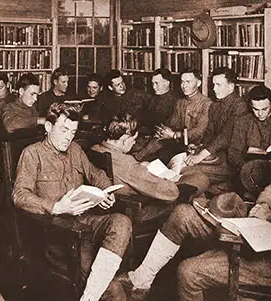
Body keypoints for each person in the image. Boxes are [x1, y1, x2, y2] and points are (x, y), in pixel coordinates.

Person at [13, 102, 132, 301]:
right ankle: (97, 291)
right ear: (49, 127)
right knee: (113, 288)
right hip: (57, 232)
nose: (69, 137)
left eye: (73, 132)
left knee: (121, 222)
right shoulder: (32, 154)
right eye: (64, 130)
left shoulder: (75, 149)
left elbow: (96, 174)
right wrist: (55, 207)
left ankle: (91, 295)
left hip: (85, 222)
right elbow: (19, 195)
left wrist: (105, 190)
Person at [118, 189, 271, 301]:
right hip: (256, 229)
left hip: (265, 257)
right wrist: (264, 205)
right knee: (182, 214)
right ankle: (142, 279)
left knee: (189, 271)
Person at [91, 114, 209, 221]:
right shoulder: (127, 165)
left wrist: (140, 167)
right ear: (123, 140)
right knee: (200, 180)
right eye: (133, 140)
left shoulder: (96, 149)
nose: (134, 143)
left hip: (123, 199)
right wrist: (161, 177)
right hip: (139, 209)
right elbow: (171, 193)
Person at [183, 67, 248, 193]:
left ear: (231, 87)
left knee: (189, 172)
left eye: (218, 85)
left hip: (232, 160)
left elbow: (225, 136)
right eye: (213, 84)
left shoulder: (240, 106)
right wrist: (198, 146)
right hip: (216, 156)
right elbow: (209, 134)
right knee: (187, 168)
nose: (214, 89)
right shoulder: (215, 106)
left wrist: (200, 155)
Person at [134, 69, 212, 163]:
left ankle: (137, 158)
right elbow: (172, 124)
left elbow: (199, 131)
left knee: (160, 158)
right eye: (182, 82)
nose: (184, 85)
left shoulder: (207, 103)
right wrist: (164, 131)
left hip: (199, 148)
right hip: (179, 145)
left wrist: (174, 134)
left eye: (188, 82)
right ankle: (137, 158)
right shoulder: (180, 102)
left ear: (198, 83)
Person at [227, 84, 271, 197]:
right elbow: (232, 153)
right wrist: (247, 167)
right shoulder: (243, 122)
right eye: (255, 109)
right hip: (247, 171)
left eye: (265, 109)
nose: (260, 114)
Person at [140, 68, 177, 134]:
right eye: (153, 83)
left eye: (157, 83)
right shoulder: (152, 98)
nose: (154, 87)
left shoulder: (175, 101)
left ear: (167, 83)